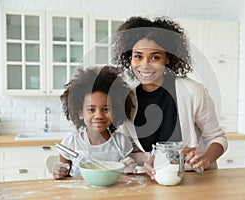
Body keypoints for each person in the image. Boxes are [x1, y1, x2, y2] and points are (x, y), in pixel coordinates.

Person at [113, 16, 228, 179]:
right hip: (151, 180)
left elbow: (217, 139)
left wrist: (206, 158)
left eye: (155, 57)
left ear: (167, 58)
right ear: (129, 58)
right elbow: (131, 151)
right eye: (138, 56)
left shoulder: (193, 91)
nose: (145, 64)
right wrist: (147, 159)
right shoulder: (127, 99)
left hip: (194, 180)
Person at [53, 66, 137, 179]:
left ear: (115, 112)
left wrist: (127, 170)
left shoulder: (122, 142)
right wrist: (60, 172)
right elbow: (64, 176)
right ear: (80, 113)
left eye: (106, 109)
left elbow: (126, 177)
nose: (98, 115)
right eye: (91, 110)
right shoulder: (71, 143)